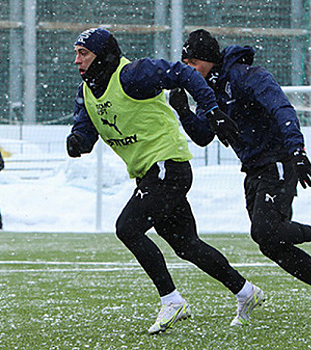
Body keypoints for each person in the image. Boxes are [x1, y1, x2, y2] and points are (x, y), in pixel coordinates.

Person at [66, 27, 264, 334]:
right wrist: (77, 140)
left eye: (83, 54)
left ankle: (172, 301)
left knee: (128, 228)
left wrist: (212, 111)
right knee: (187, 245)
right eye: (76, 54)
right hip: (151, 172)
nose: (77, 61)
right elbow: (87, 128)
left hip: (167, 165)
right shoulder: (87, 90)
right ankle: (246, 292)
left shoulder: (134, 74)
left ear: (102, 55)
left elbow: (185, 75)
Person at [169, 29, 311, 318]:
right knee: (270, 243)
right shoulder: (210, 91)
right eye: (184, 62)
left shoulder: (246, 75)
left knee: (265, 230)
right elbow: (204, 136)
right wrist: (184, 112)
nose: (187, 69)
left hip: (279, 160)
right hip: (254, 169)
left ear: (209, 60)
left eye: (193, 61)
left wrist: (297, 151)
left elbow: (281, 108)